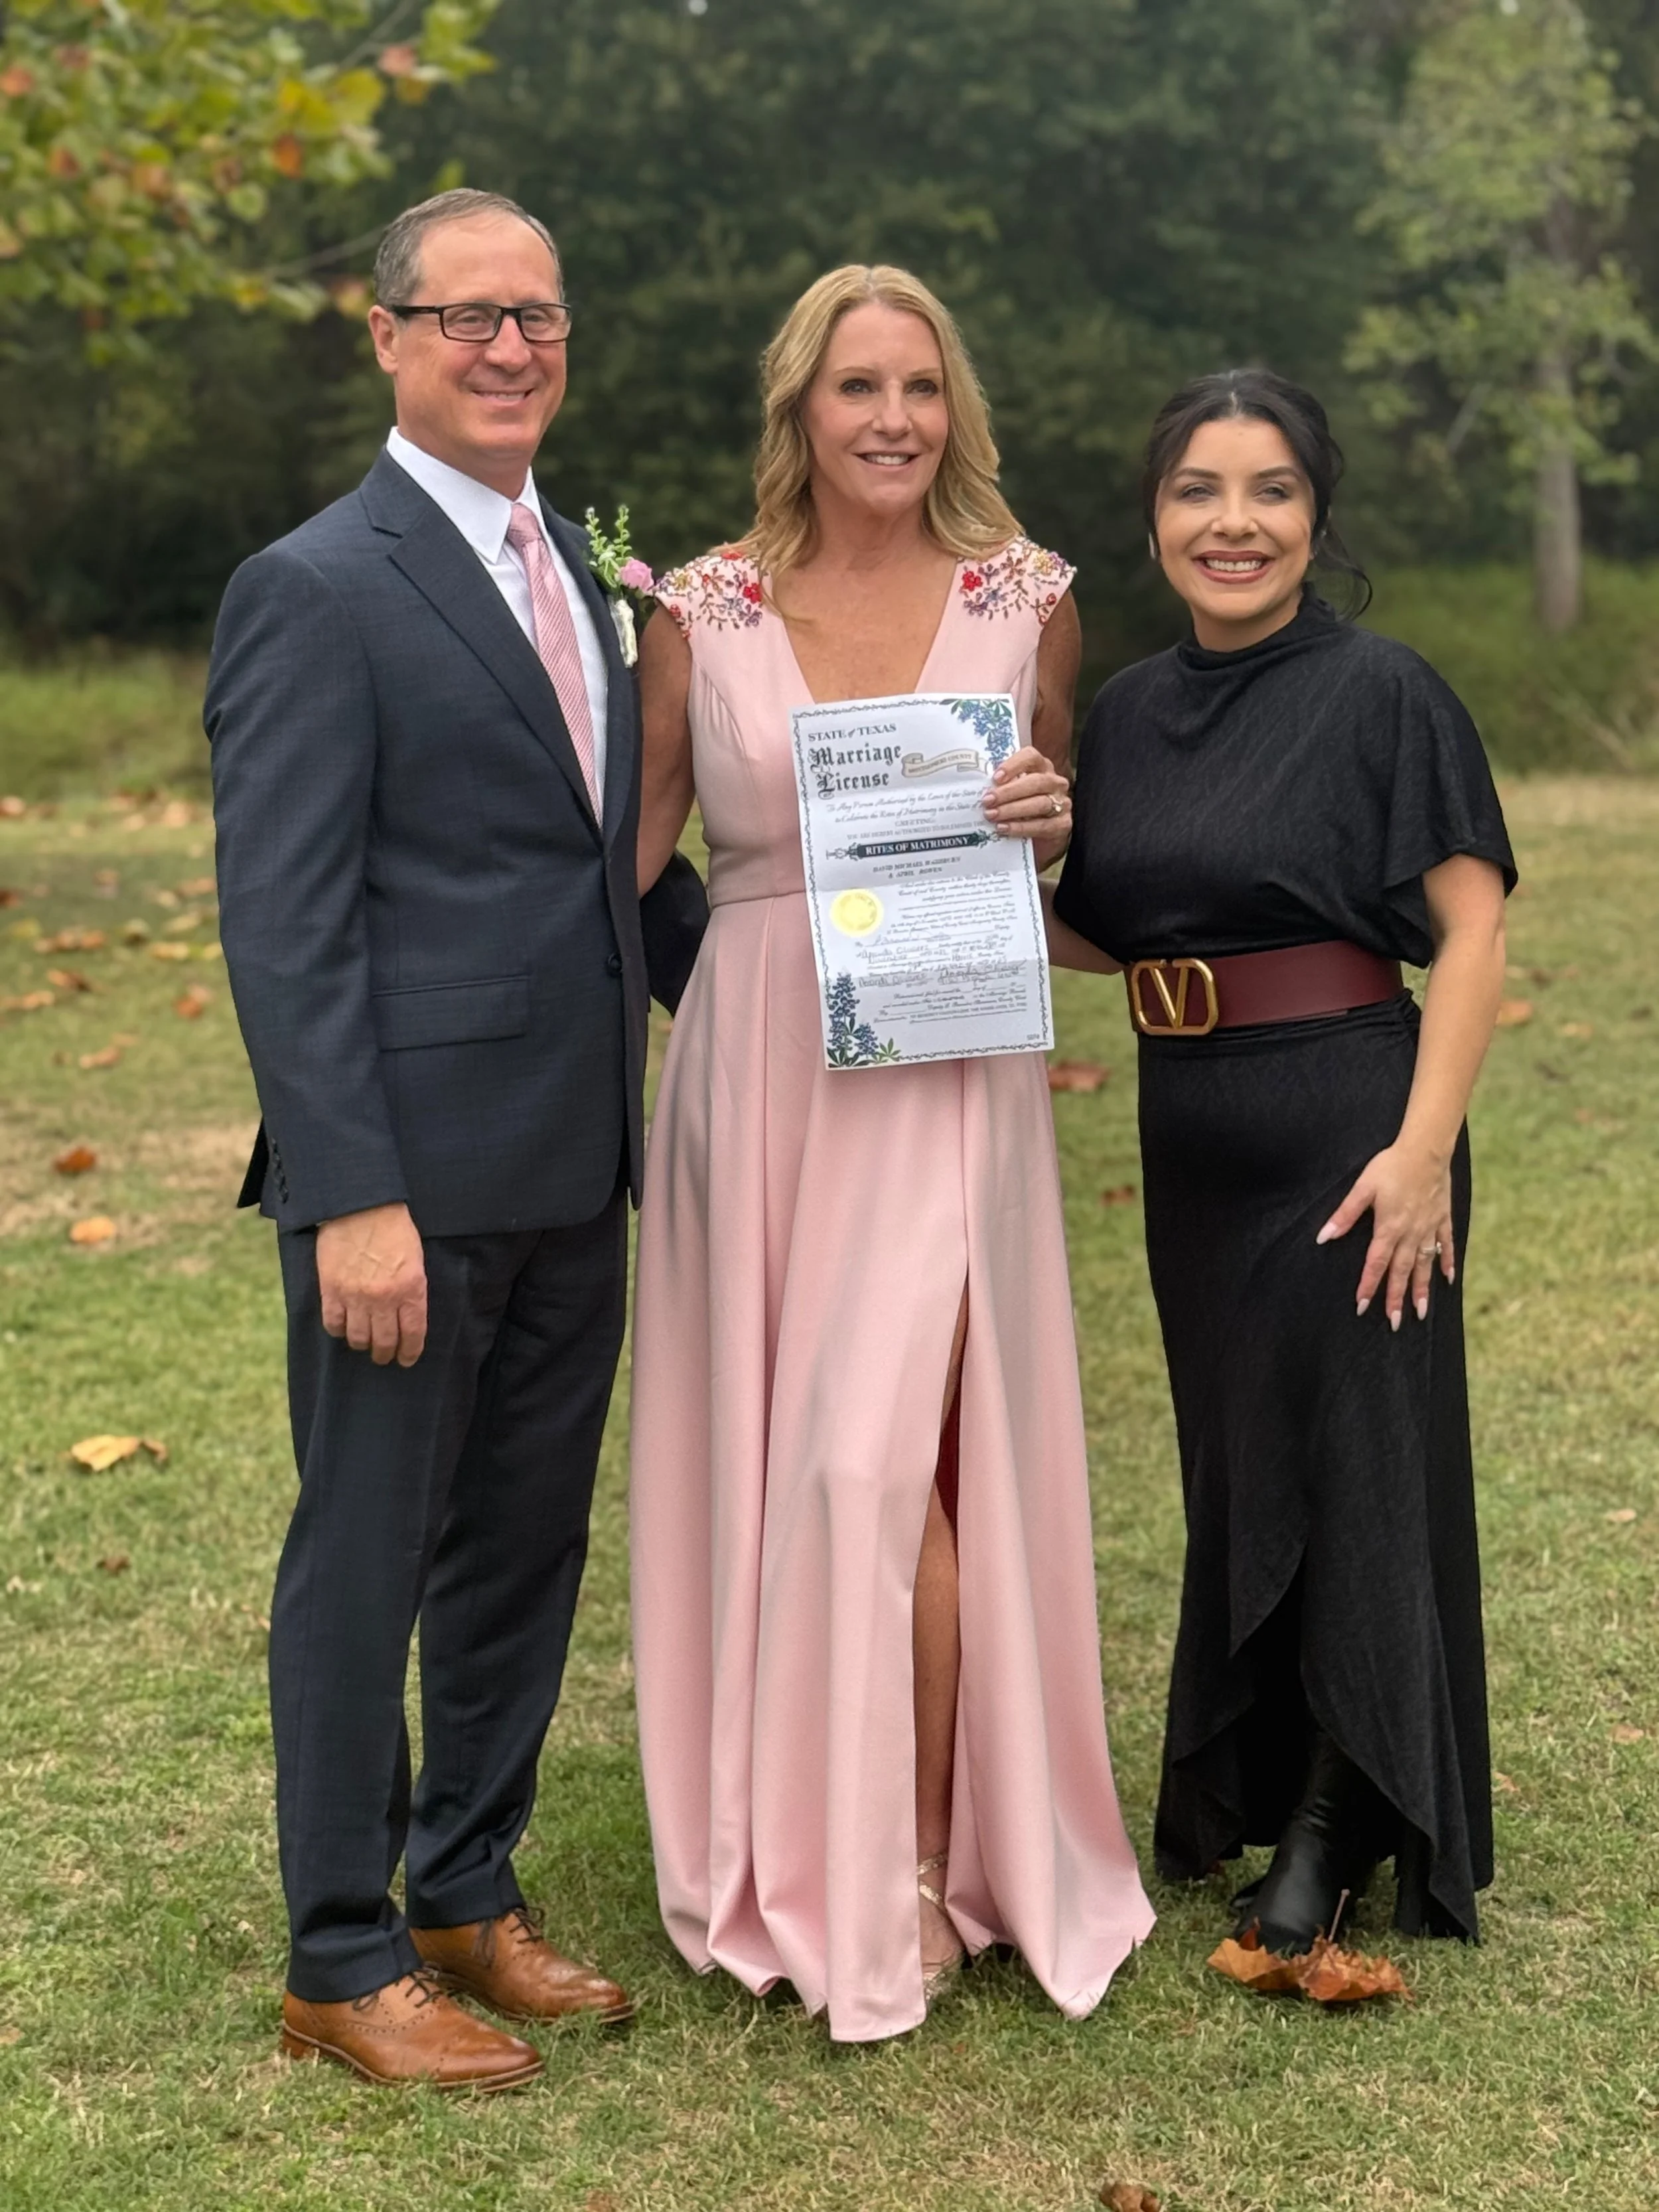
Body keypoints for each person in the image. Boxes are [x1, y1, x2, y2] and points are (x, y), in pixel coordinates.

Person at [206, 188, 706, 2089]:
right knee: (369, 1550)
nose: (511, 349)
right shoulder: (317, 584)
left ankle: (462, 1888)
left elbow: (615, 867)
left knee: (519, 1546)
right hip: (404, 1183)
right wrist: (349, 1194)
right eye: (470, 317)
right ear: (390, 337)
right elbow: (289, 915)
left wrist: (834, 965)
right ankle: (339, 1951)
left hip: (575, 1162)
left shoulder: (584, 566)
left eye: (540, 317)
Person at [627, 263, 1154, 2043]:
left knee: (885, 1460)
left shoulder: (1029, 603)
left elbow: (1059, 836)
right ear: (799, 406)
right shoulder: (701, 607)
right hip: (759, 1069)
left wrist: (1049, 811)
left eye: (918, 387)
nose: (889, 418)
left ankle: (926, 1853)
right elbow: (633, 851)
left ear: (954, 407)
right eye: (855, 385)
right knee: (795, 1453)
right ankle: (818, 1831)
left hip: (942, 1067)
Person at [1045, 368, 1514, 1956]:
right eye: (1196, 491)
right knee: (1241, 1471)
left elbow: (1468, 929)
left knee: (1350, 1474)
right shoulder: (1122, 712)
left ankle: (1330, 1827)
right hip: (1187, 1145)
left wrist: (1422, 1152)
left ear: (1315, 517)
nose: (1230, 522)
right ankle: (1253, 1776)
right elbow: (1092, 938)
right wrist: (972, 842)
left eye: (1267, 491)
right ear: (1153, 517)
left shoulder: (1384, 692)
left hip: (1348, 1130)